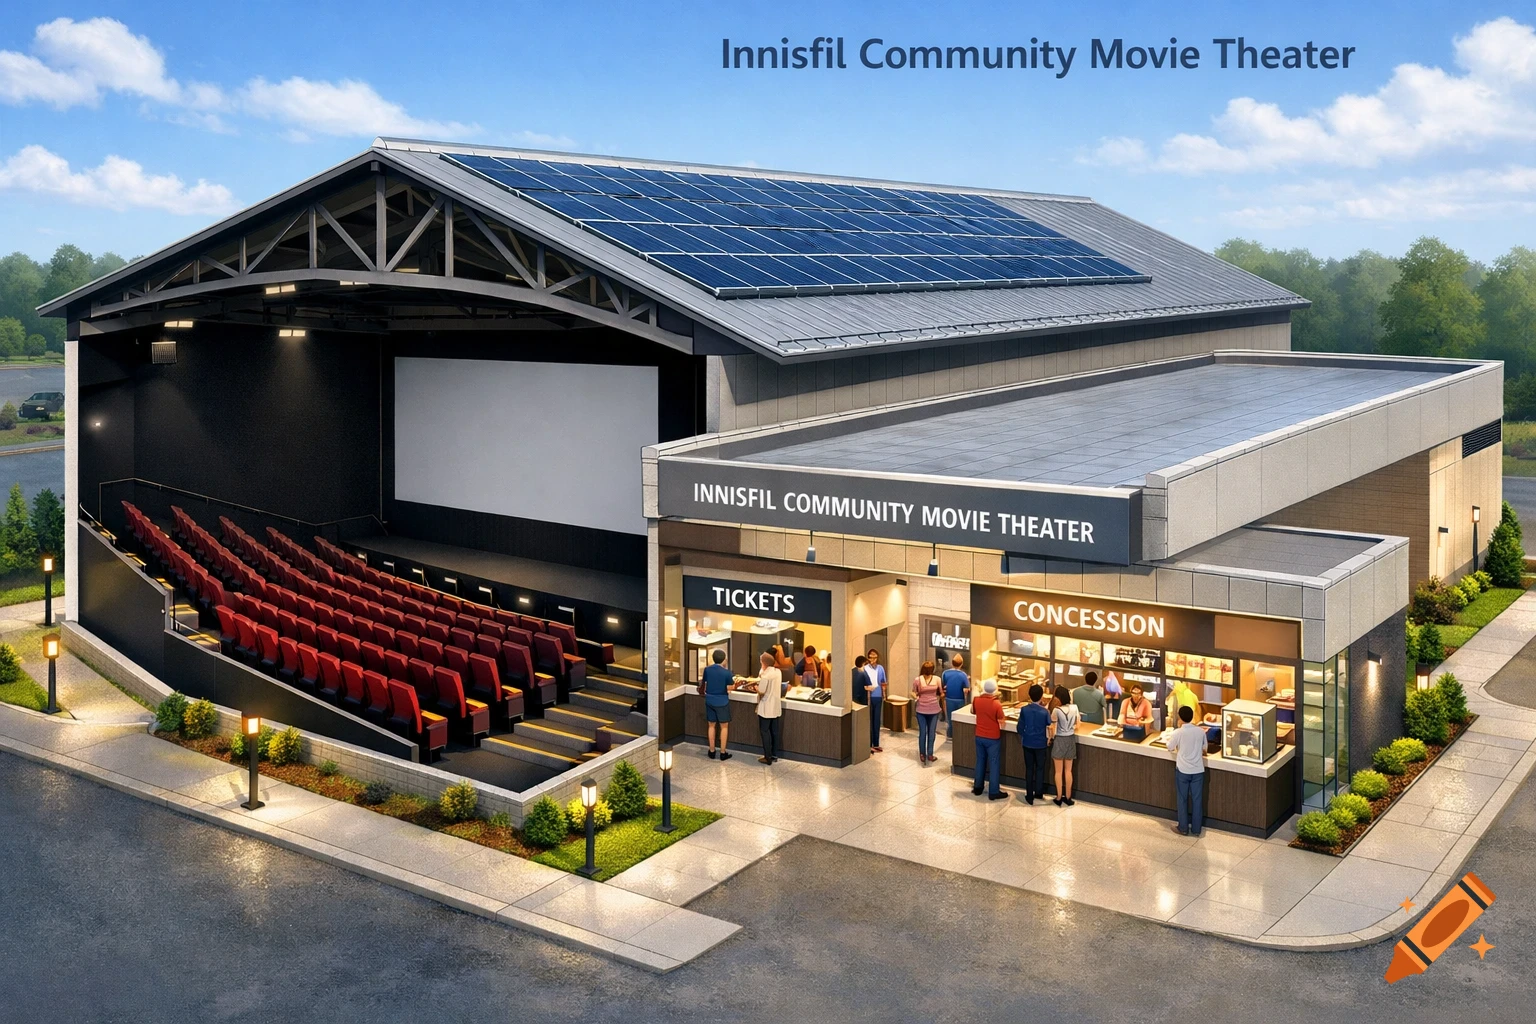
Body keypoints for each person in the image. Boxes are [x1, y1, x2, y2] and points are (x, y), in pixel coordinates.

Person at [1165, 704, 1207, 836]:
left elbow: (1170, 747)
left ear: (1180, 718)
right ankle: (1196, 829)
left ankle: (1183, 828)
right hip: (1198, 770)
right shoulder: (1200, 731)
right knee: (1197, 800)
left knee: (1182, 799)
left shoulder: (1178, 732)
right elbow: (1205, 748)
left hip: (1183, 770)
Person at [970, 679, 1006, 800]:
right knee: (994, 763)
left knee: (980, 761)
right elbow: (1002, 721)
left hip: (979, 735)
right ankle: (994, 791)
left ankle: (978, 787)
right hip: (993, 738)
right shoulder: (997, 704)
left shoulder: (976, 700)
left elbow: (972, 711)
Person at [1018, 684, 1051, 805]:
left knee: (1029, 768)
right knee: (1040, 768)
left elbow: (1020, 727)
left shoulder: (1024, 710)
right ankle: (1039, 792)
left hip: (1027, 743)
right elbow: (1049, 725)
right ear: (1042, 696)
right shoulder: (1045, 712)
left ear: (1029, 696)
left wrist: (1023, 735)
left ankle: (1029, 795)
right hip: (1041, 744)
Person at [1049, 684, 1081, 807]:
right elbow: (1078, 724)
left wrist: (1050, 738)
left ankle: (1058, 797)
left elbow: (1053, 727)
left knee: (1058, 771)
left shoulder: (1056, 710)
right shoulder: (1075, 708)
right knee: (1069, 770)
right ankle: (1068, 797)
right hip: (1071, 739)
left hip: (1060, 740)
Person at [701, 648, 734, 760]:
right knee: (724, 726)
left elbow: (704, 682)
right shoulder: (727, 673)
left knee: (711, 725)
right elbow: (730, 688)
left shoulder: (707, 670)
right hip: (722, 701)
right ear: (724, 660)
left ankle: (711, 751)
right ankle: (723, 752)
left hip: (709, 700)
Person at [752, 650, 784, 764]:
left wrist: (755, 688)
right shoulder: (777, 672)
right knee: (774, 731)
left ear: (763, 662)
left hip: (766, 707)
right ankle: (774, 755)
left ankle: (767, 757)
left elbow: (761, 690)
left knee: (764, 731)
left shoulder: (766, 675)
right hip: (775, 707)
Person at [912, 661, 942, 765]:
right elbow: (941, 692)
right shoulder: (937, 679)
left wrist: (917, 696)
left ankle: (923, 754)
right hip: (931, 708)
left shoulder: (918, 680)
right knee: (930, 732)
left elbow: (914, 692)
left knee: (924, 732)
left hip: (923, 708)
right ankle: (929, 753)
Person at [941, 654, 970, 739]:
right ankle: (957, 735)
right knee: (958, 719)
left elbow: (944, 684)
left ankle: (950, 735)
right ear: (961, 664)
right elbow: (967, 688)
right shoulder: (963, 675)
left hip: (948, 698)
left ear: (952, 663)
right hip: (960, 699)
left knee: (950, 718)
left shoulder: (945, 673)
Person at [861, 653, 884, 752]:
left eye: (874, 657)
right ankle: (868, 744)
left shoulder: (880, 668)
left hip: (878, 696)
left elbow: (883, 682)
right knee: (869, 720)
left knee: (876, 720)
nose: (872, 659)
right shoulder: (865, 668)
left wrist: (884, 694)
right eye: (870, 657)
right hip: (868, 697)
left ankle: (876, 743)